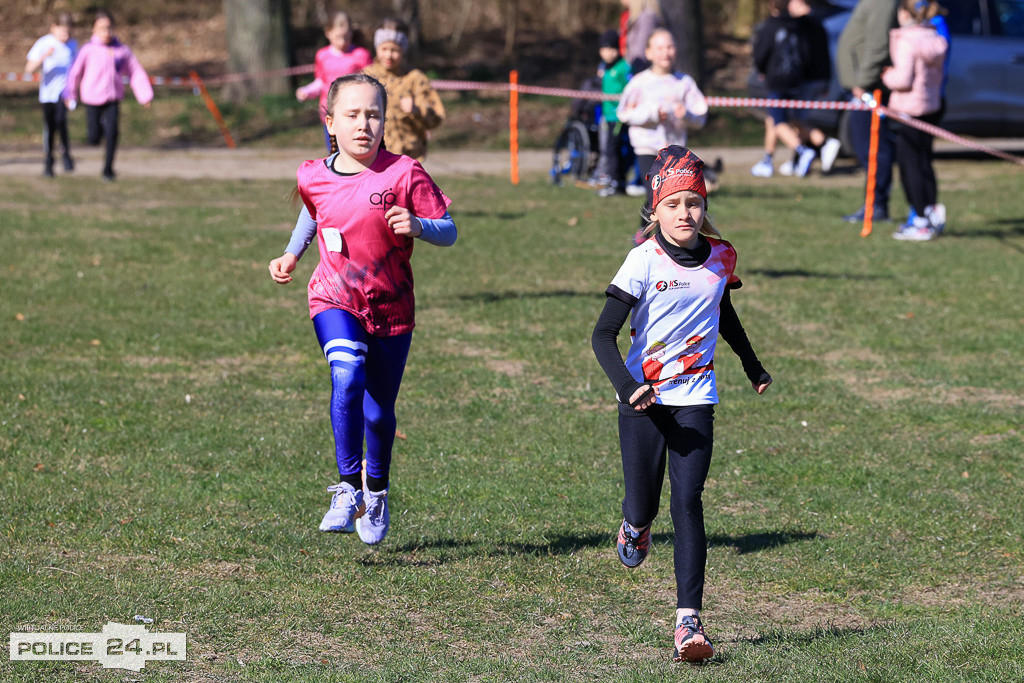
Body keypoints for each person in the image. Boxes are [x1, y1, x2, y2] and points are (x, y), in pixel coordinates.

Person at [591, 145, 772, 663]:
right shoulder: (642, 260)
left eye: (693, 202)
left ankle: (688, 622)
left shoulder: (719, 257)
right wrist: (630, 388)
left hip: (696, 397)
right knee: (644, 504)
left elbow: (726, 315)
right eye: (674, 204)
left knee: (687, 501)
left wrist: (751, 365)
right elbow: (603, 336)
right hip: (644, 400)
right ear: (656, 209)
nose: (685, 213)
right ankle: (634, 525)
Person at [268, 74, 457, 545]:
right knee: (346, 372)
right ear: (330, 122)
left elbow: (449, 229)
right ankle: (348, 486)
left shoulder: (404, 172)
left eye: (373, 114)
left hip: (392, 305)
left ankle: (377, 491)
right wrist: (292, 253)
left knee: (378, 413)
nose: (363, 125)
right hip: (334, 295)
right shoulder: (312, 172)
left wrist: (418, 226)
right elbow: (314, 210)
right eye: (351, 115)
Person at [616, 30, 709, 235]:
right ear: (649, 53)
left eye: (670, 47)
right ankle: (644, 237)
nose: (665, 52)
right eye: (659, 48)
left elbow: (700, 117)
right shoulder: (640, 83)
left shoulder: (684, 83)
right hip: (647, 147)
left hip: (675, 152)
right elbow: (624, 113)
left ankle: (673, 240)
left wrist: (686, 115)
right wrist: (652, 114)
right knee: (655, 195)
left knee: (672, 197)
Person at [749, 0, 841, 178]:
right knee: (776, 118)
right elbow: (805, 53)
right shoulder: (797, 25)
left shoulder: (782, 25)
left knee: (780, 121)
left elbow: (761, 53)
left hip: (781, 81)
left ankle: (810, 147)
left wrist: (762, 69)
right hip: (797, 79)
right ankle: (769, 160)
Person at [883, 0, 948, 241]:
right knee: (924, 162)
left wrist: (886, 75)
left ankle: (920, 220)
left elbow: (903, 79)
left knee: (910, 167)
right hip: (931, 106)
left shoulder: (908, 40)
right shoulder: (934, 39)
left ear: (904, 14)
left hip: (910, 110)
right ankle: (930, 212)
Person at [64, 10, 153, 182]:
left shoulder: (121, 51)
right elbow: (74, 74)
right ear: (94, 29)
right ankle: (99, 131)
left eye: (109, 28)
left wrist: (145, 95)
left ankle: (108, 169)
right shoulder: (87, 50)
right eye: (102, 28)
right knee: (94, 137)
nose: (106, 32)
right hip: (92, 99)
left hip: (113, 99)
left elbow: (136, 72)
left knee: (113, 134)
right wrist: (70, 94)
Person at [836, 0, 899, 222]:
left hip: (868, 90)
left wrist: (862, 82)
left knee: (874, 149)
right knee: (866, 149)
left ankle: (876, 207)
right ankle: (872, 205)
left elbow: (878, 43)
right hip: (861, 89)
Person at [362, 19, 445, 161]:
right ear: (376, 48)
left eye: (394, 50)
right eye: (384, 49)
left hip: (407, 157)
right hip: (372, 157)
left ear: (403, 49)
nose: (388, 55)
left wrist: (417, 110)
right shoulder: (366, 77)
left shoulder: (415, 79)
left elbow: (436, 118)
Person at [296, 11, 372, 152]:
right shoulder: (322, 56)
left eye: (347, 37)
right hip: (330, 112)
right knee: (334, 153)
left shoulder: (361, 55)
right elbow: (321, 82)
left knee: (355, 153)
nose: (343, 41)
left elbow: (371, 84)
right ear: (328, 33)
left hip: (354, 114)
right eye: (338, 37)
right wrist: (306, 91)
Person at [25, 12, 78, 178]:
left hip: (65, 93)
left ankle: (66, 155)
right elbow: (29, 69)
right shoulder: (44, 43)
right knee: (50, 127)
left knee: (61, 121)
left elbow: (78, 69)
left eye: (68, 33)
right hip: (47, 93)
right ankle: (48, 161)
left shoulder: (73, 45)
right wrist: (44, 56)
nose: (65, 36)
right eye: (62, 32)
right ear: (53, 28)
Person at [594, 29, 633, 197]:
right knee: (610, 149)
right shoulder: (604, 67)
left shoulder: (623, 67)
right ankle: (616, 181)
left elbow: (632, 88)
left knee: (613, 150)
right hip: (607, 115)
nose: (607, 53)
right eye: (604, 49)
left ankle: (617, 183)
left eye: (611, 48)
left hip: (619, 117)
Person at [621, 0, 666, 74]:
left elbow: (642, 46)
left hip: (640, 65)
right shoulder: (641, 15)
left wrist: (634, 65)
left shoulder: (647, 17)